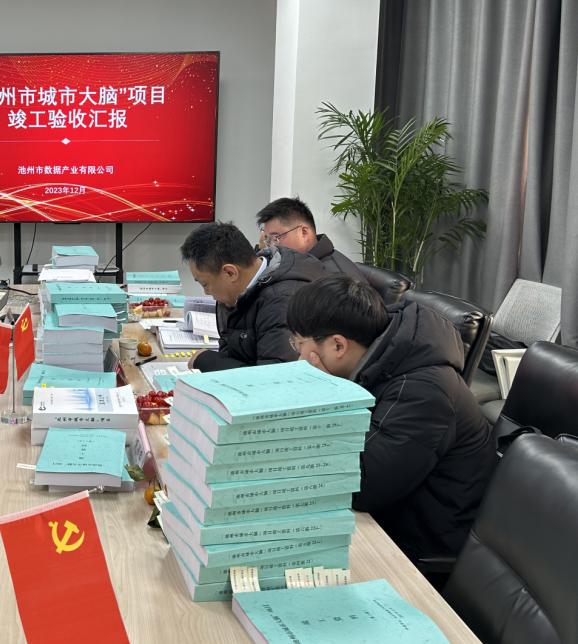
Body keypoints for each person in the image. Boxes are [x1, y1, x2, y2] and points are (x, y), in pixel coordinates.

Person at [286, 275, 496, 561]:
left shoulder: (423, 393)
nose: (298, 355)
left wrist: (320, 395)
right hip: (390, 514)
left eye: (299, 344)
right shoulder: (383, 358)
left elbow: (360, 487)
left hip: (416, 543)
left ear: (338, 346)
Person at [180, 221, 325, 372]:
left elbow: (274, 376)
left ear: (230, 273)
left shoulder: (282, 300)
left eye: (206, 284)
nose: (206, 292)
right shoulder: (240, 292)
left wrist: (207, 361)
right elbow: (229, 351)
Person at [255, 197, 366, 280]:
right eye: (268, 240)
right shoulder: (296, 264)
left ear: (304, 233)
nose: (272, 246)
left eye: (276, 238)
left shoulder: (337, 279)